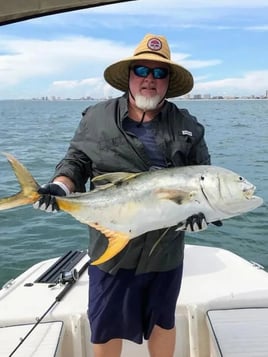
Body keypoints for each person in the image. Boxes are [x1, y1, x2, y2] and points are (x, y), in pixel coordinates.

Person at [34, 33, 216, 357]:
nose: (150, 79)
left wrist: (205, 214)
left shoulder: (188, 125)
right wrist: (60, 187)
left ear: (168, 82)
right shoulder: (97, 118)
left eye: (159, 73)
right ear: (129, 77)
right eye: (142, 71)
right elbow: (76, 161)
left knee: (163, 322)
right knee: (106, 325)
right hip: (111, 248)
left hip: (165, 250)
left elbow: (203, 178)